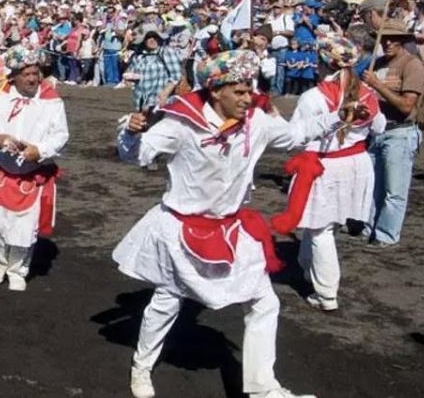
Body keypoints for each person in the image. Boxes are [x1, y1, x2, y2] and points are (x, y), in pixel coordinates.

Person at [116, 50, 347, 398]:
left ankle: (263, 388)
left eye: (249, 89)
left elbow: (297, 135)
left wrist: (339, 115)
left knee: (265, 302)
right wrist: (131, 133)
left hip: (232, 229)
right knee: (167, 302)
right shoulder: (182, 124)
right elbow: (138, 155)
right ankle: (142, 367)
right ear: (215, 91)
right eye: (238, 91)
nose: (247, 97)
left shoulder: (257, 122)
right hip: (181, 230)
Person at [273, 33, 384, 311]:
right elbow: (379, 127)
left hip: (326, 165)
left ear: (323, 63)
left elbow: (296, 137)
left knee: (321, 229)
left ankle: (326, 294)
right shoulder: (367, 93)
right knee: (323, 224)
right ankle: (307, 266)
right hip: (356, 163)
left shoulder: (313, 97)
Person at [0, 45, 68, 292]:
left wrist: (40, 150)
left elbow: (61, 137)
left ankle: (17, 269)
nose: (32, 78)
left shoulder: (52, 101)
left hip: (31, 177)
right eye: (26, 73)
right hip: (1, 174)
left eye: (35, 72)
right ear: (14, 75)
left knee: (23, 229)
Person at [361, 19, 424, 246]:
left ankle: (386, 235)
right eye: (384, 38)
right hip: (376, 132)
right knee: (372, 186)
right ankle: (369, 226)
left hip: (400, 132)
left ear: (402, 41)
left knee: (394, 190)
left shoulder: (412, 65)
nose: (388, 43)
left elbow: (407, 106)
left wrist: (377, 85)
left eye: (393, 39)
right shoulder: (376, 63)